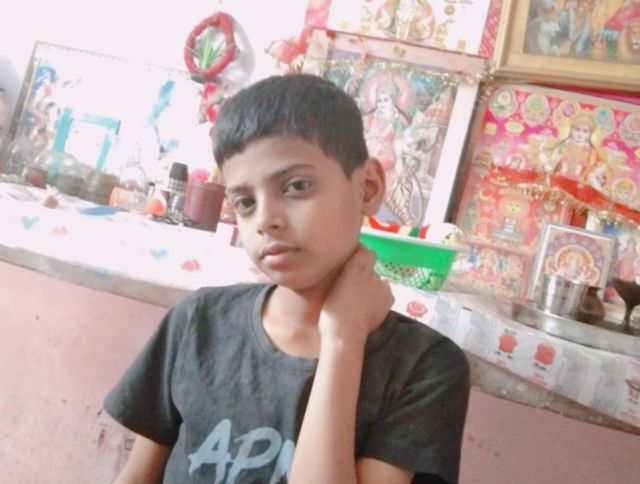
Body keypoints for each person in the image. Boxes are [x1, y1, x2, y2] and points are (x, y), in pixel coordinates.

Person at [104, 74, 470, 484]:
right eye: (245, 202)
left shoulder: (424, 367)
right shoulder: (197, 322)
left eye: (297, 186)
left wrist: (343, 338)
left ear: (367, 187)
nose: (265, 220)